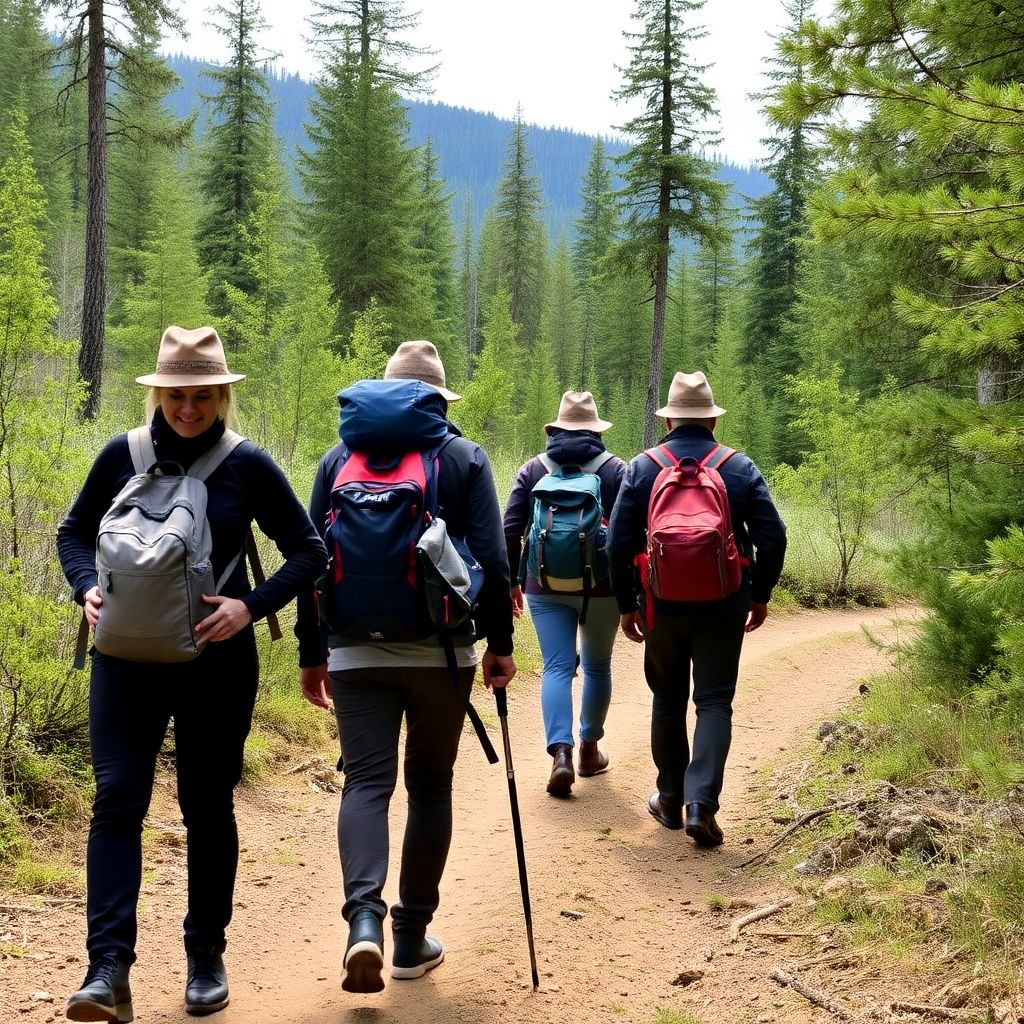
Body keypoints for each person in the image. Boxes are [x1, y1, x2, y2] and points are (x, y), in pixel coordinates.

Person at [56, 326, 327, 1021]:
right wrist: (85, 585)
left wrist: (250, 606)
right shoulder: (123, 453)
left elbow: (308, 551)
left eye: (203, 396)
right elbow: (73, 530)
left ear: (222, 397)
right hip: (123, 659)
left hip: (216, 661)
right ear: (159, 393)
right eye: (178, 395)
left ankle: (206, 954)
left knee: (207, 806)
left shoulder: (248, 465)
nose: (189, 409)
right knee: (117, 799)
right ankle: (106, 968)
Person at [296, 340, 516, 994]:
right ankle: (410, 939)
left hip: (353, 650)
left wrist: (313, 655)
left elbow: (312, 562)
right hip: (443, 652)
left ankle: (363, 922)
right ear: (439, 400)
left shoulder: (340, 458)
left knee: (365, 784)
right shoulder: (464, 457)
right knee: (430, 785)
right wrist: (499, 647)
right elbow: (495, 563)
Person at [606, 371, 786, 847]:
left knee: (667, 699)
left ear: (668, 422)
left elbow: (616, 543)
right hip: (724, 601)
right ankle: (700, 805)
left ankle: (668, 798)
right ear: (711, 420)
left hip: (661, 604)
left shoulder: (643, 468)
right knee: (714, 701)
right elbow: (774, 536)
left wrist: (628, 604)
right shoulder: (738, 466)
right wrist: (759, 593)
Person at [502, 391, 625, 796]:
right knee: (598, 667)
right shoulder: (614, 470)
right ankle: (590, 750)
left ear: (552, 431)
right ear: (596, 431)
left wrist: (511, 583)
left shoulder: (533, 469)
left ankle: (561, 755)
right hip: (604, 588)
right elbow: (627, 535)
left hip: (545, 585)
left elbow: (510, 529)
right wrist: (631, 594)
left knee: (557, 667)